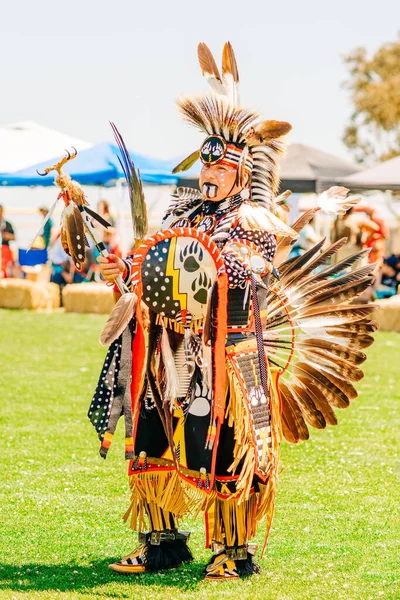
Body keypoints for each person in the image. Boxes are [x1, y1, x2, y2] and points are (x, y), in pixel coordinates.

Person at [89, 42, 376, 580]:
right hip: (169, 348)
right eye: (204, 158)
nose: (209, 169)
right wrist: (123, 276)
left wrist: (220, 269)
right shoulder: (182, 210)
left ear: (243, 171)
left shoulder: (255, 218)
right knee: (153, 434)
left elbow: (247, 274)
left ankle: (232, 551)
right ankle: (160, 542)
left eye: (220, 163)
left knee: (221, 443)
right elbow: (156, 271)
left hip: (228, 354)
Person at [0, 204, 15, 277]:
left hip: (5, 250)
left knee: (6, 270)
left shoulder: (7, 224)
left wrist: (8, 236)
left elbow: (14, 237)